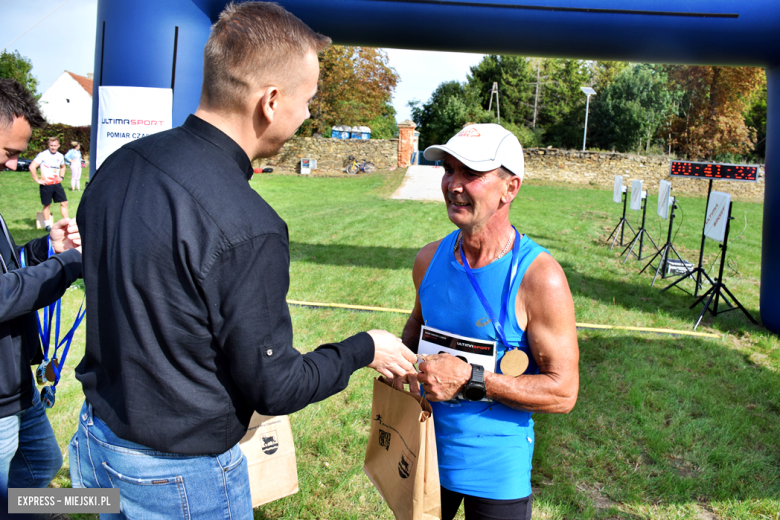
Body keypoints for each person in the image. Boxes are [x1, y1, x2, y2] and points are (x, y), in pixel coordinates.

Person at [70, 2, 417, 518]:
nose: (306, 116)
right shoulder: (248, 226)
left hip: (97, 445)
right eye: (308, 100)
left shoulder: (119, 165)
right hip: (179, 476)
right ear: (271, 101)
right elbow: (275, 386)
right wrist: (363, 348)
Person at [398, 124, 580, 520]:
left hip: (496, 471)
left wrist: (469, 379)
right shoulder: (428, 260)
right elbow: (416, 328)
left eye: (472, 174)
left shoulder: (539, 277)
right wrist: (401, 365)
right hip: (422, 454)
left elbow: (563, 393)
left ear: (510, 188)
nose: (453, 185)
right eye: (449, 169)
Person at [0, 79, 82, 501]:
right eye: (10, 153)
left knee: (42, 464)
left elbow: (4, 265)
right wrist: (64, 266)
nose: (14, 165)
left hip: (15, 383)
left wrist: (43, 248)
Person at [29, 137, 68, 230]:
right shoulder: (42, 155)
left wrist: (61, 177)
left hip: (56, 183)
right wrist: (37, 180)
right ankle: (47, 225)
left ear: (58, 146)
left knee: (64, 202)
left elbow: (63, 167)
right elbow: (32, 166)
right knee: (47, 205)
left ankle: (66, 222)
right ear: (48, 145)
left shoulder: (60, 156)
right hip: (46, 184)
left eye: (55, 146)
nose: (53, 147)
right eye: (51, 145)